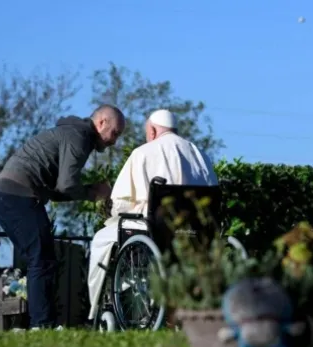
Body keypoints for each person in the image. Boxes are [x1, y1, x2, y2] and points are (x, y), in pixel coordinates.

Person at [0, 105, 126, 330]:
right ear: (101, 123)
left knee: (41, 258)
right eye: (115, 133)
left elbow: (57, 192)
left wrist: (91, 191)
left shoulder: (72, 134)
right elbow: (67, 185)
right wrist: (94, 192)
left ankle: (41, 322)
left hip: (7, 196)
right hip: (16, 195)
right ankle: (41, 325)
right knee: (41, 258)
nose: (114, 141)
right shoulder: (79, 137)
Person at [87, 109, 218, 321]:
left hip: (153, 230)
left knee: (101, 240)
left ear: (153, 130)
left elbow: (120, 203)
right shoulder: (200, 155)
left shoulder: (143, 153)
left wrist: (112, 212)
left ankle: (95, 311)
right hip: (194, 231)